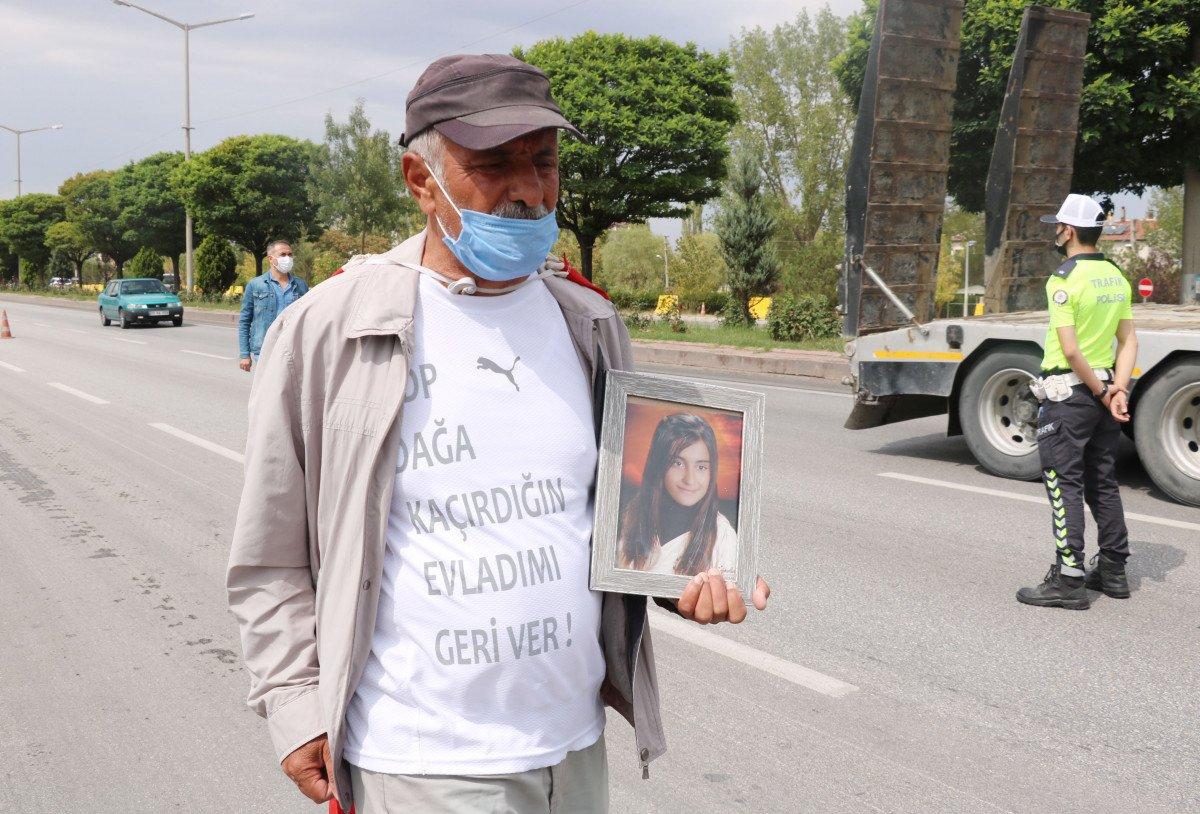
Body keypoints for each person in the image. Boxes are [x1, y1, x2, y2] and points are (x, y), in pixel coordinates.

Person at [226, 53, 771, 814]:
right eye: (493, 166)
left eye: (543, 163)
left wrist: (689, 579)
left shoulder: (588, 324)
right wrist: (292, 705)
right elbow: (269, 557)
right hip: (422, 761)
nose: (528, 189)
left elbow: (626, 521)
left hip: (573, 750)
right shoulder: (327, 332)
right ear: (422, 180)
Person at [1016, 193, 1138, 611]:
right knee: (1102, 481)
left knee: (1063, 483)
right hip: (1103, 392)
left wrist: (1105, 394)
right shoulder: (1116, 276)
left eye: (1058, 225)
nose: (1055, 231)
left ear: (1068, 230)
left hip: (1069, 397)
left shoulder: (1064, 280)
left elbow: (1069, 350)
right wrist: (1116, 390)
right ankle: (1113, 570)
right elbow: (1128, 340)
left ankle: (1069, 579)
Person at [619, 413, 738, 577]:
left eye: (701, 467)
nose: (689, 479)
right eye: (678, 463)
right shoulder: (634, 515)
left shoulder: (722, 537)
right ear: (659, 465)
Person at [237, 240, 308, 372]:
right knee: (268, 391)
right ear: (271, 258)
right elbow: (245, 321)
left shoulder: (300, 285)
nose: (288, 258)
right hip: (265, 350)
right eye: (283, 255)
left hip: (293, 349)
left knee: (291, 391)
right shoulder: (255, 285)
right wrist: (245, 354)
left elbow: (309, 320)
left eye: (290, 254)